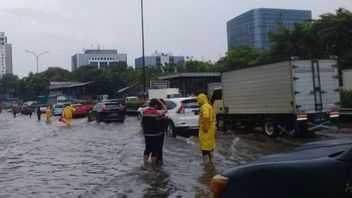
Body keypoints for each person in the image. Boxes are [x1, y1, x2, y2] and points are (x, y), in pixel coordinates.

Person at [141, 98, 168, 166]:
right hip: (156, 135)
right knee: (155, 150)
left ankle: (145, 164)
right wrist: (161, 103)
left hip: (147, 134)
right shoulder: (157, 112)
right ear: (155, 105)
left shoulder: (143, 111)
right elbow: (166, 110)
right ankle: (153, 166)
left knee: (147, 149)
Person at [197, 93, 216, 166]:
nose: (198, 102)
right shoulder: (209, 106)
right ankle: (211, 163)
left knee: (204, 149)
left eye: (198, 100)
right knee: (210, 147)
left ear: (201, 99)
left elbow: (206, 116)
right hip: (211, 129)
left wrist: (205, 127)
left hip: (206, 130)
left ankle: (206, 166)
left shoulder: (204, 107)